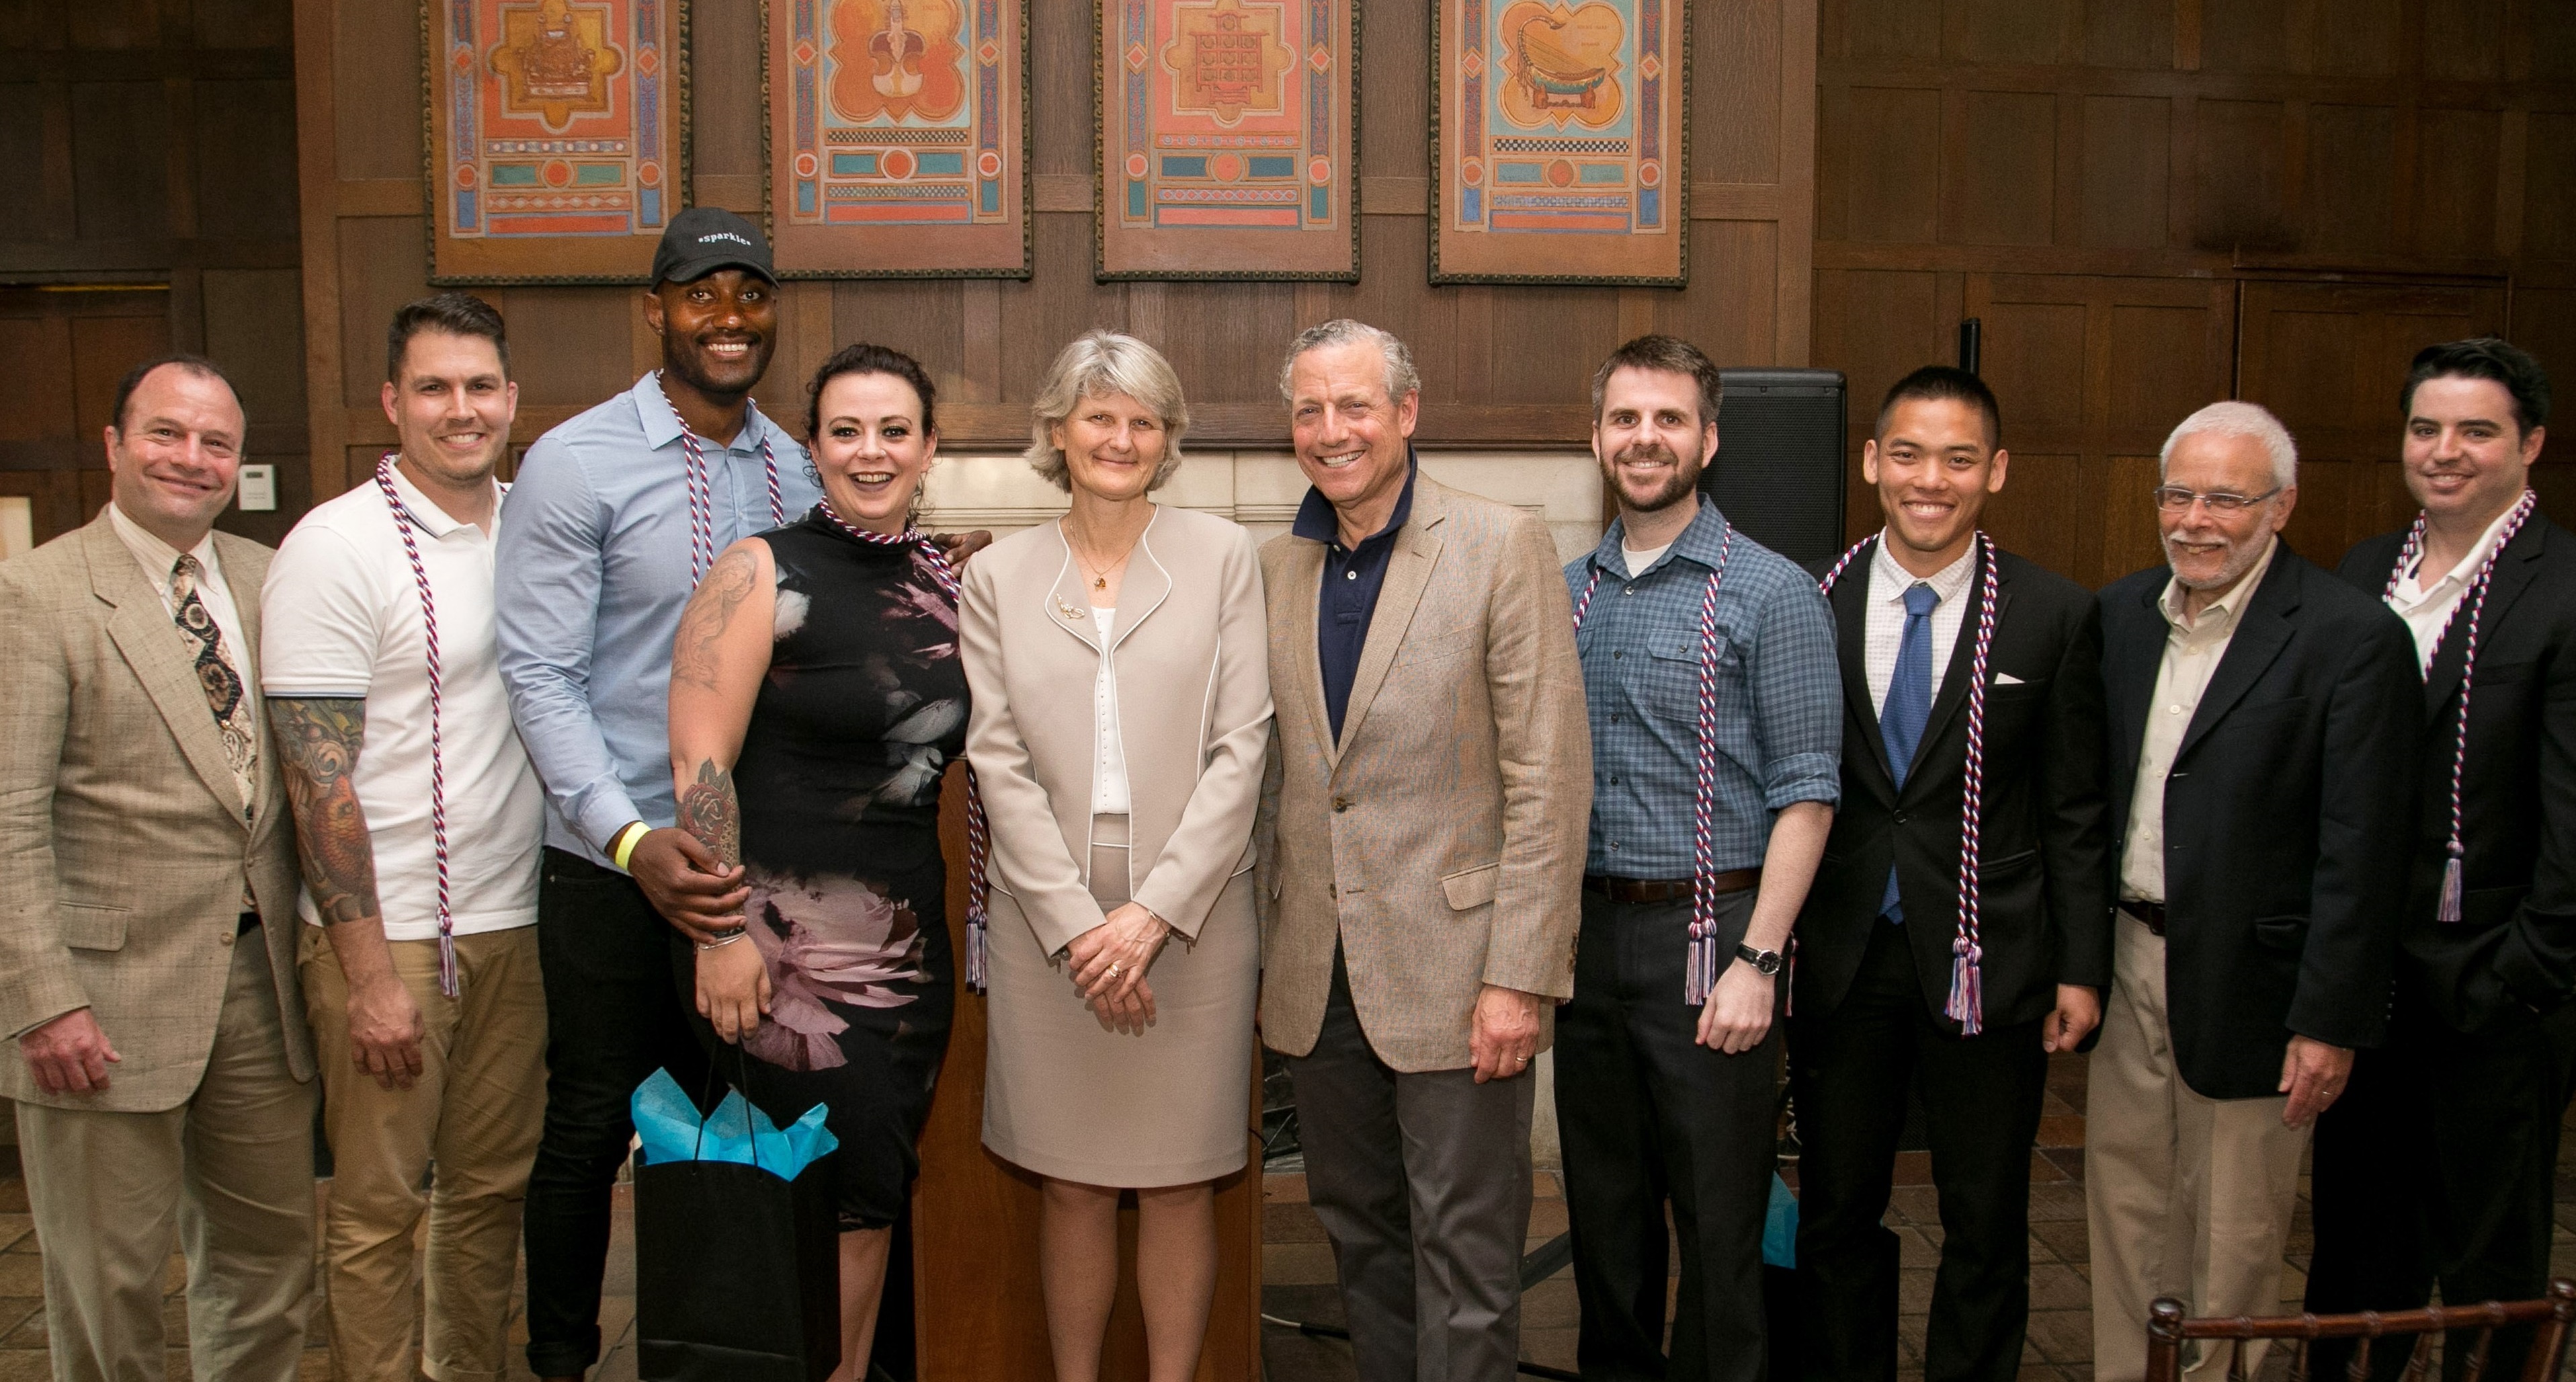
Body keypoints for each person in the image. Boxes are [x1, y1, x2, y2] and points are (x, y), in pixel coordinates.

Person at [495, 207, 821, 1381]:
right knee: (589, 1127)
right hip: (608, 862)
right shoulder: (575, 462)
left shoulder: (794, 466)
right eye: (702, 295)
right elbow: (537, 674)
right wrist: (630, 839)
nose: (728, 320)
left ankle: (699, 1356)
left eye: (750, 295)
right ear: (657, 310)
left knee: (723, 1125)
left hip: (736, 868)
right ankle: (563, 1361)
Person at [1256, 319, 1590, 1382]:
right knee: (1359, 1236)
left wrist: (1518, 977)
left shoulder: (1501, 541)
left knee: (1467, 1254)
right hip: (1320, 977)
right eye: (1309, 410)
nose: (1330, 430)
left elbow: (1548, 777)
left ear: (1406, 412)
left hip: (1460, 973)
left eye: (1353, 405)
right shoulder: (1276, 568)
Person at [959, 330, 1272, 1382]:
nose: (1120, 438)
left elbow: (1244, 748)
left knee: (1182, 1179)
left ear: (1168, 438)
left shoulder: (1224, 556)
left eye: (1143, 420)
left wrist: (1149, 917)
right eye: (1099, 416)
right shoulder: (999, 575)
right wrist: (1078, 926)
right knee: (1073, 1181)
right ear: (1058, 430)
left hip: (1193, 915)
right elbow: (995, 761)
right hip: (1048, 922)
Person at [2085, 401, 2419, 1382]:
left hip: (2263, 991)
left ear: (2279, 507)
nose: (2195, 519)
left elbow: (2364, 851)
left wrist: (2330, 1022)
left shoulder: (2350, 637)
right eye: (2177, 494)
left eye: (2226, 499)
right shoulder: (2119, 617)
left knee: (2230, 1240)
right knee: (2122, 1211)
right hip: (2128, 960)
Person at [0, 354, 319, 1381]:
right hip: (100, 1004)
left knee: (268, 1268)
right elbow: (5, 819)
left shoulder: (272, 579)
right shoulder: (35, 595)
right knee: (110, 1284)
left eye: (215, 442)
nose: (191, 459)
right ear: (114, 444)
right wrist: (41, 1000)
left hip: (263, 993)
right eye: (165, 434)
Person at [1789, 366, 2110, 1382]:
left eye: (1959, 459)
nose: (1932, 479)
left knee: (1985, 1215)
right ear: (1872, 461)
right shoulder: (1806, 602)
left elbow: (2073, 806)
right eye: (1911, 454)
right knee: (1837, 1207)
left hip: (1990, 959)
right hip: (1839, 962)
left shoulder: (2052, 615)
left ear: (1996, 472)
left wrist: (2080, 967)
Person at [665, 343, 967, 1380]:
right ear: (812, 447)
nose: (870, 452)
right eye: (846, 431)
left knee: (872, 1192)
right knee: (824, 1202)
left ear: (929, 448)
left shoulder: (943, 581)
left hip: (906, 951)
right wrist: (719, 936)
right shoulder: (757, 569)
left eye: (893, 431)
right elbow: (697, 764)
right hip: (780, 951)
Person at [261, 292, 548, 1382]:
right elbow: (314, 780)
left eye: (480, 386)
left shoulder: (536, 523)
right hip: (389, 943)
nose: (460, 409)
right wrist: (369, 974)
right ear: (392, 402)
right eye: (434, 387)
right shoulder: (335, 546)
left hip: (512, 926)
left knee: (487, 1195)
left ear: (512, 400)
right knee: (380, 1208)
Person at [1555, 335, 1840, 1382]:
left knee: (1718, 1229)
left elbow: (1807, 796)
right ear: (1596, 439)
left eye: (1668, 420)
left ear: (1707, 441)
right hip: (1585, 945)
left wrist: (1759, 963)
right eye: (1625, 419)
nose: (1644, 440)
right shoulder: (1563, 593)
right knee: (1604, 1219)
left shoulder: (1771, 594)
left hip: (1712, 943)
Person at [2306, 338, 2574, 1379]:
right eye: (2426, 428)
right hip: (2368, 987)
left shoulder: (2561, 588)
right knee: (2358, 1241)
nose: (2445, 451)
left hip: (2496, 988)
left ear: (2529, 444)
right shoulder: (2364, 569)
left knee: (2486, 1259)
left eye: (2476, 430)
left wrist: (2526, 973)